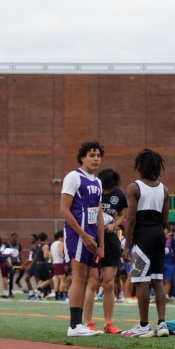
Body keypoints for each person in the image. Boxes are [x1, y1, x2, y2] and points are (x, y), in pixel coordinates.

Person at [121, 149, 171, 338]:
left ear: (140, 166)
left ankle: (143, 325)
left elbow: (131, 218)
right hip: (159, 234)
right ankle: (162, 323)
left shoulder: (134, 187)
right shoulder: (164, 189)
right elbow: (165, 219)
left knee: (141, 280)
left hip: (143, 235)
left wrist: (127, 245)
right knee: (157, 279)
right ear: (158, 167)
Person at [61, 140, 105, 338]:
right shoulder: (73, 177)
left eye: (98, 156)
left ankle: (79, 324)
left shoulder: (98, 182)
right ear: (82, 157)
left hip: (91, 235)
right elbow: (64, 210)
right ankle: (74, 325)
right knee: (79, 276)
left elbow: (99, 213)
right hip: (77, 233)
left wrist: (101, 244)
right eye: (92, 155)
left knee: (86, 277)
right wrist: (83, 234)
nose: (96, 159)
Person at [89, 167, 126, 334]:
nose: (105, 192)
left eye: (108, 189)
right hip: (92, 239)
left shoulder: (119, 195)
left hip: (111, 240)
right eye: (104, 188)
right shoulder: (92, 191)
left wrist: (114, 225)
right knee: (92, 282)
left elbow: (122, 215)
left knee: (109, 283)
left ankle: (108, 323)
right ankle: (87, 323)